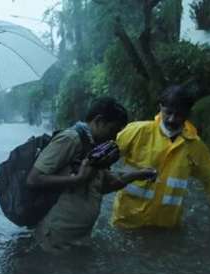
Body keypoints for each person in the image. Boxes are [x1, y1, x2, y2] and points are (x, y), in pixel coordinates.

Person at [110, 85, 210, 229]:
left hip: (166, 227)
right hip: (126, 222)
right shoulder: (138, 131)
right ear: (161, 108)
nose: (172, 119)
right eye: (168, 112)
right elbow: (102, 158)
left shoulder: (194, 145)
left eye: (178, 115)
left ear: (188, 114)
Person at [26, 98, 157, 254]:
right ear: (99, 120)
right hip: (56, 237)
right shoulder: (70, 139)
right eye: (112, 130)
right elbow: (33, 179)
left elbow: (107, 183)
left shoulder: (94, 148)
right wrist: (77, 180)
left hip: (80, 238)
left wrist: (138, 174)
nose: (114, 138)